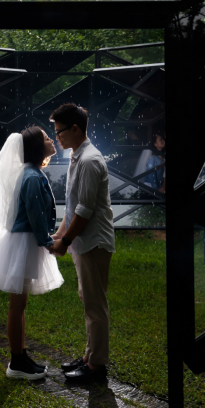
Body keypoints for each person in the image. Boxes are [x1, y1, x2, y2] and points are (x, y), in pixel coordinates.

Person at [0, 126, 64, 380]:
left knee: (20, 304)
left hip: (25, 242)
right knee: (17, 305)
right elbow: (35, 214)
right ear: (36, 147)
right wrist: (48, 242)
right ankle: (16, 361)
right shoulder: (32, 177)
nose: (51, 140)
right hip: (24, 243)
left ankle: (21, 356)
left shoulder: (31, 173)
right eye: (46, 138)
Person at [48, 103, 116, 383]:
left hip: (93, 243)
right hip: (83, 243)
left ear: (75, 129)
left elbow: (85, 211)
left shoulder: (89, 160)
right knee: (87, 301)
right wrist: (59, 236)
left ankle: (96, 367)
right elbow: (72, 209)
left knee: (95, 306)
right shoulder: (78, 156)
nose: (57, 138)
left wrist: (64, 241)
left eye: (60, 131)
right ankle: (89, 356)